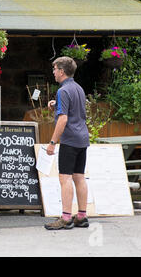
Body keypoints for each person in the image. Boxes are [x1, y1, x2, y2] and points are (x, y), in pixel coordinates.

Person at [44, 56, 90, 230]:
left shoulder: (63, 91)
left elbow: (63, 119)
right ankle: (82, 216)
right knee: (79, 177)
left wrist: (52, 142)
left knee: (65, 179)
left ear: (62, 71)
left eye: (55, 69)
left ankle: (65, 217)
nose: (53, 72)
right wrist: (57, 105)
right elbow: (75, 109)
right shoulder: (77, 88)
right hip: (82, 138)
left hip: (70, 139)